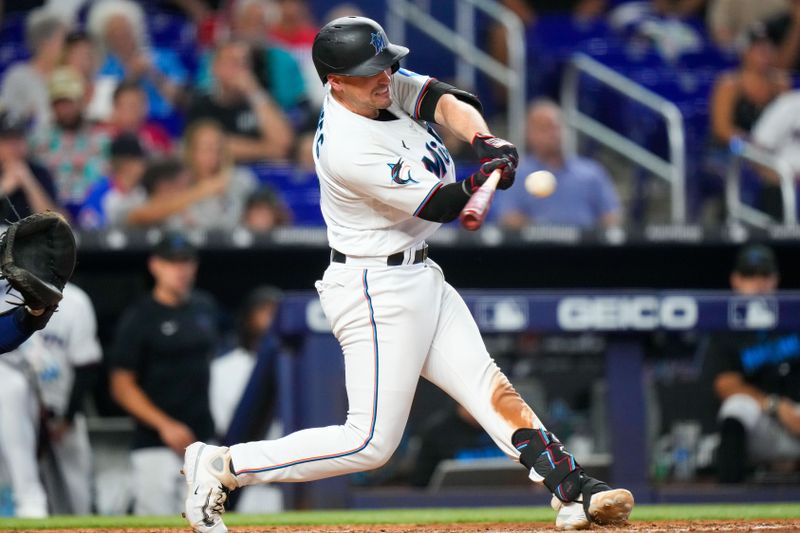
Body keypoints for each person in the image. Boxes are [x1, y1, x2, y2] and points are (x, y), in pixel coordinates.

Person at [182, 16, 633, 533]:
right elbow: (439, 204)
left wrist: (484, 141)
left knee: (487, 384)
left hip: (418, 273)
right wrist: (479, 180)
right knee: (369, 442)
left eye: (386, 64)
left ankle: (572, 489)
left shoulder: (377, 87)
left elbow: (444, 98)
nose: (386, 75)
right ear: (335, 81)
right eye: (372, 69)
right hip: (374, 289)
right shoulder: (346, 146)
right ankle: (224, 466)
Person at [110, 232, 220, 515]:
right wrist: (164, 424)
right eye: (172, 262)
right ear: (155, 265)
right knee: (157, 522)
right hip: (155, 444)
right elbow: (121, 385)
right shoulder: (140, 316)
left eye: (186, 262)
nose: (180, 270)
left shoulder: (204, 308)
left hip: (203, 438)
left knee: (208, 519)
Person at [0, 282, 101, 516]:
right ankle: (28, 505)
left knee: (77, 490)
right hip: (19, 404)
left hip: (61, 409)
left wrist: (67, 416)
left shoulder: (75, 300)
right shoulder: (5, 294)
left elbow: (87, 365)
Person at [703, 244, 800, 483]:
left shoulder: (793, 316)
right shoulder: (725, 329)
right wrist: (774, 405)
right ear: (736, 280)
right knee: (736, 407)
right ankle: (729, 500)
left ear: (775, 280)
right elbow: (725, 385)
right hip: (764, 421)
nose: (758, 283)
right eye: (750, 276)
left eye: (764, 276)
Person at [494, 99, 621, 229]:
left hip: (585, 247)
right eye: (544, 128)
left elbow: (611, 216)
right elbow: (508, 218)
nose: (553, 134)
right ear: (529, 134)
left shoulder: (591, 173)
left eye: (557, 127)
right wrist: (547, 235)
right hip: (536, 248)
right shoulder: (516, 176)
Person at [187, 39, 294, 164]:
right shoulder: (202, 105)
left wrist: (254, 92)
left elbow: (284, 144)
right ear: (215, 68)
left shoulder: (261, 100)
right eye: (233, 62)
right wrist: (269, 149)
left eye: (245, 63)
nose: (241, 70)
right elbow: (213, 148)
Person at [29, 66, 110, 219]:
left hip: (93, 212)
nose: (65, 109)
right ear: (52, 105)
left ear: (81, 102)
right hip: (50, 212)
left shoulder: (101, 139)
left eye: (70, 102)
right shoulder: (37, 140)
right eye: (60, 103)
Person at [86, 0, 188, 121]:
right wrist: (131, 77)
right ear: (106, 38)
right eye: (114, 33)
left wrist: (153, 73)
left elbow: (184, 99)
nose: (120, 36)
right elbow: (106, 111)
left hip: (170, 122)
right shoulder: (105, 70)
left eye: (124, 30)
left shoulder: (164, 58)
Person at [0, 7, 67, 136]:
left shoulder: (65, 75)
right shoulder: (17, 76)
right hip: (26, 141)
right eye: (61, 41)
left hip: (62, 145)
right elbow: (9, 117)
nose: (64, 48)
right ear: (45, 43)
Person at [181, 119, 257, 230]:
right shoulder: (178, 186)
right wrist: (202, 190)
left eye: (218, 146)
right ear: (191, 151)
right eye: (206, 147)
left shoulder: (241, 180)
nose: (214, 151)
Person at [77, 132, 149, 229]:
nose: (144, 165)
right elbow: (90, 230)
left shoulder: (145, 190)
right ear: (126, 163)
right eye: (140, 160)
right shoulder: (99, 192)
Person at [0, 110, 58, 220]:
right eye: (8, 140)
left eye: (18, 139)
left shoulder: (39, 172)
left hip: (30, 236)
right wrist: (3, 188)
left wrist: (28, 181)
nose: (14, 147)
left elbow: (55, 223)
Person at [107, 82, 173, 155]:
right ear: (116, 108)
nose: (136, 110)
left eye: (140, 104)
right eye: (131, 105)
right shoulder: (103, 137)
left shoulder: (157, 135)